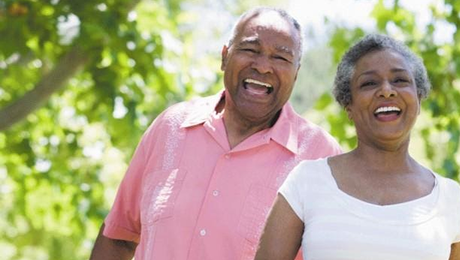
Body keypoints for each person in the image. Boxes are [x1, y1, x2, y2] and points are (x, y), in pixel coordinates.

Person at [90, 7, 341, 260]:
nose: (263, 67)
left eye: (281, 58)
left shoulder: (321, 159)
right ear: (224, 57)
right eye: (250, 50)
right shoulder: (170, 127)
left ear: (296, 74)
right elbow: (118, 238)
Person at [255, 34, 460, 260]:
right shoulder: (307, 181)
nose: (387, 90)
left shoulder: (449, 198)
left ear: (419, 99)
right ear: (348, 105)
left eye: (400, 80)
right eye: (369, 83)